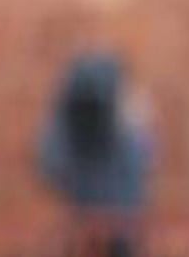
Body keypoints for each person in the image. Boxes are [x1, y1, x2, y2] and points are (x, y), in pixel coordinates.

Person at [39, 53, 151, 257]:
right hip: (87, 219)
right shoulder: (64, 132)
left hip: (118, 228)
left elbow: (138, 167)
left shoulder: (129, 126)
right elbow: (52, 164)